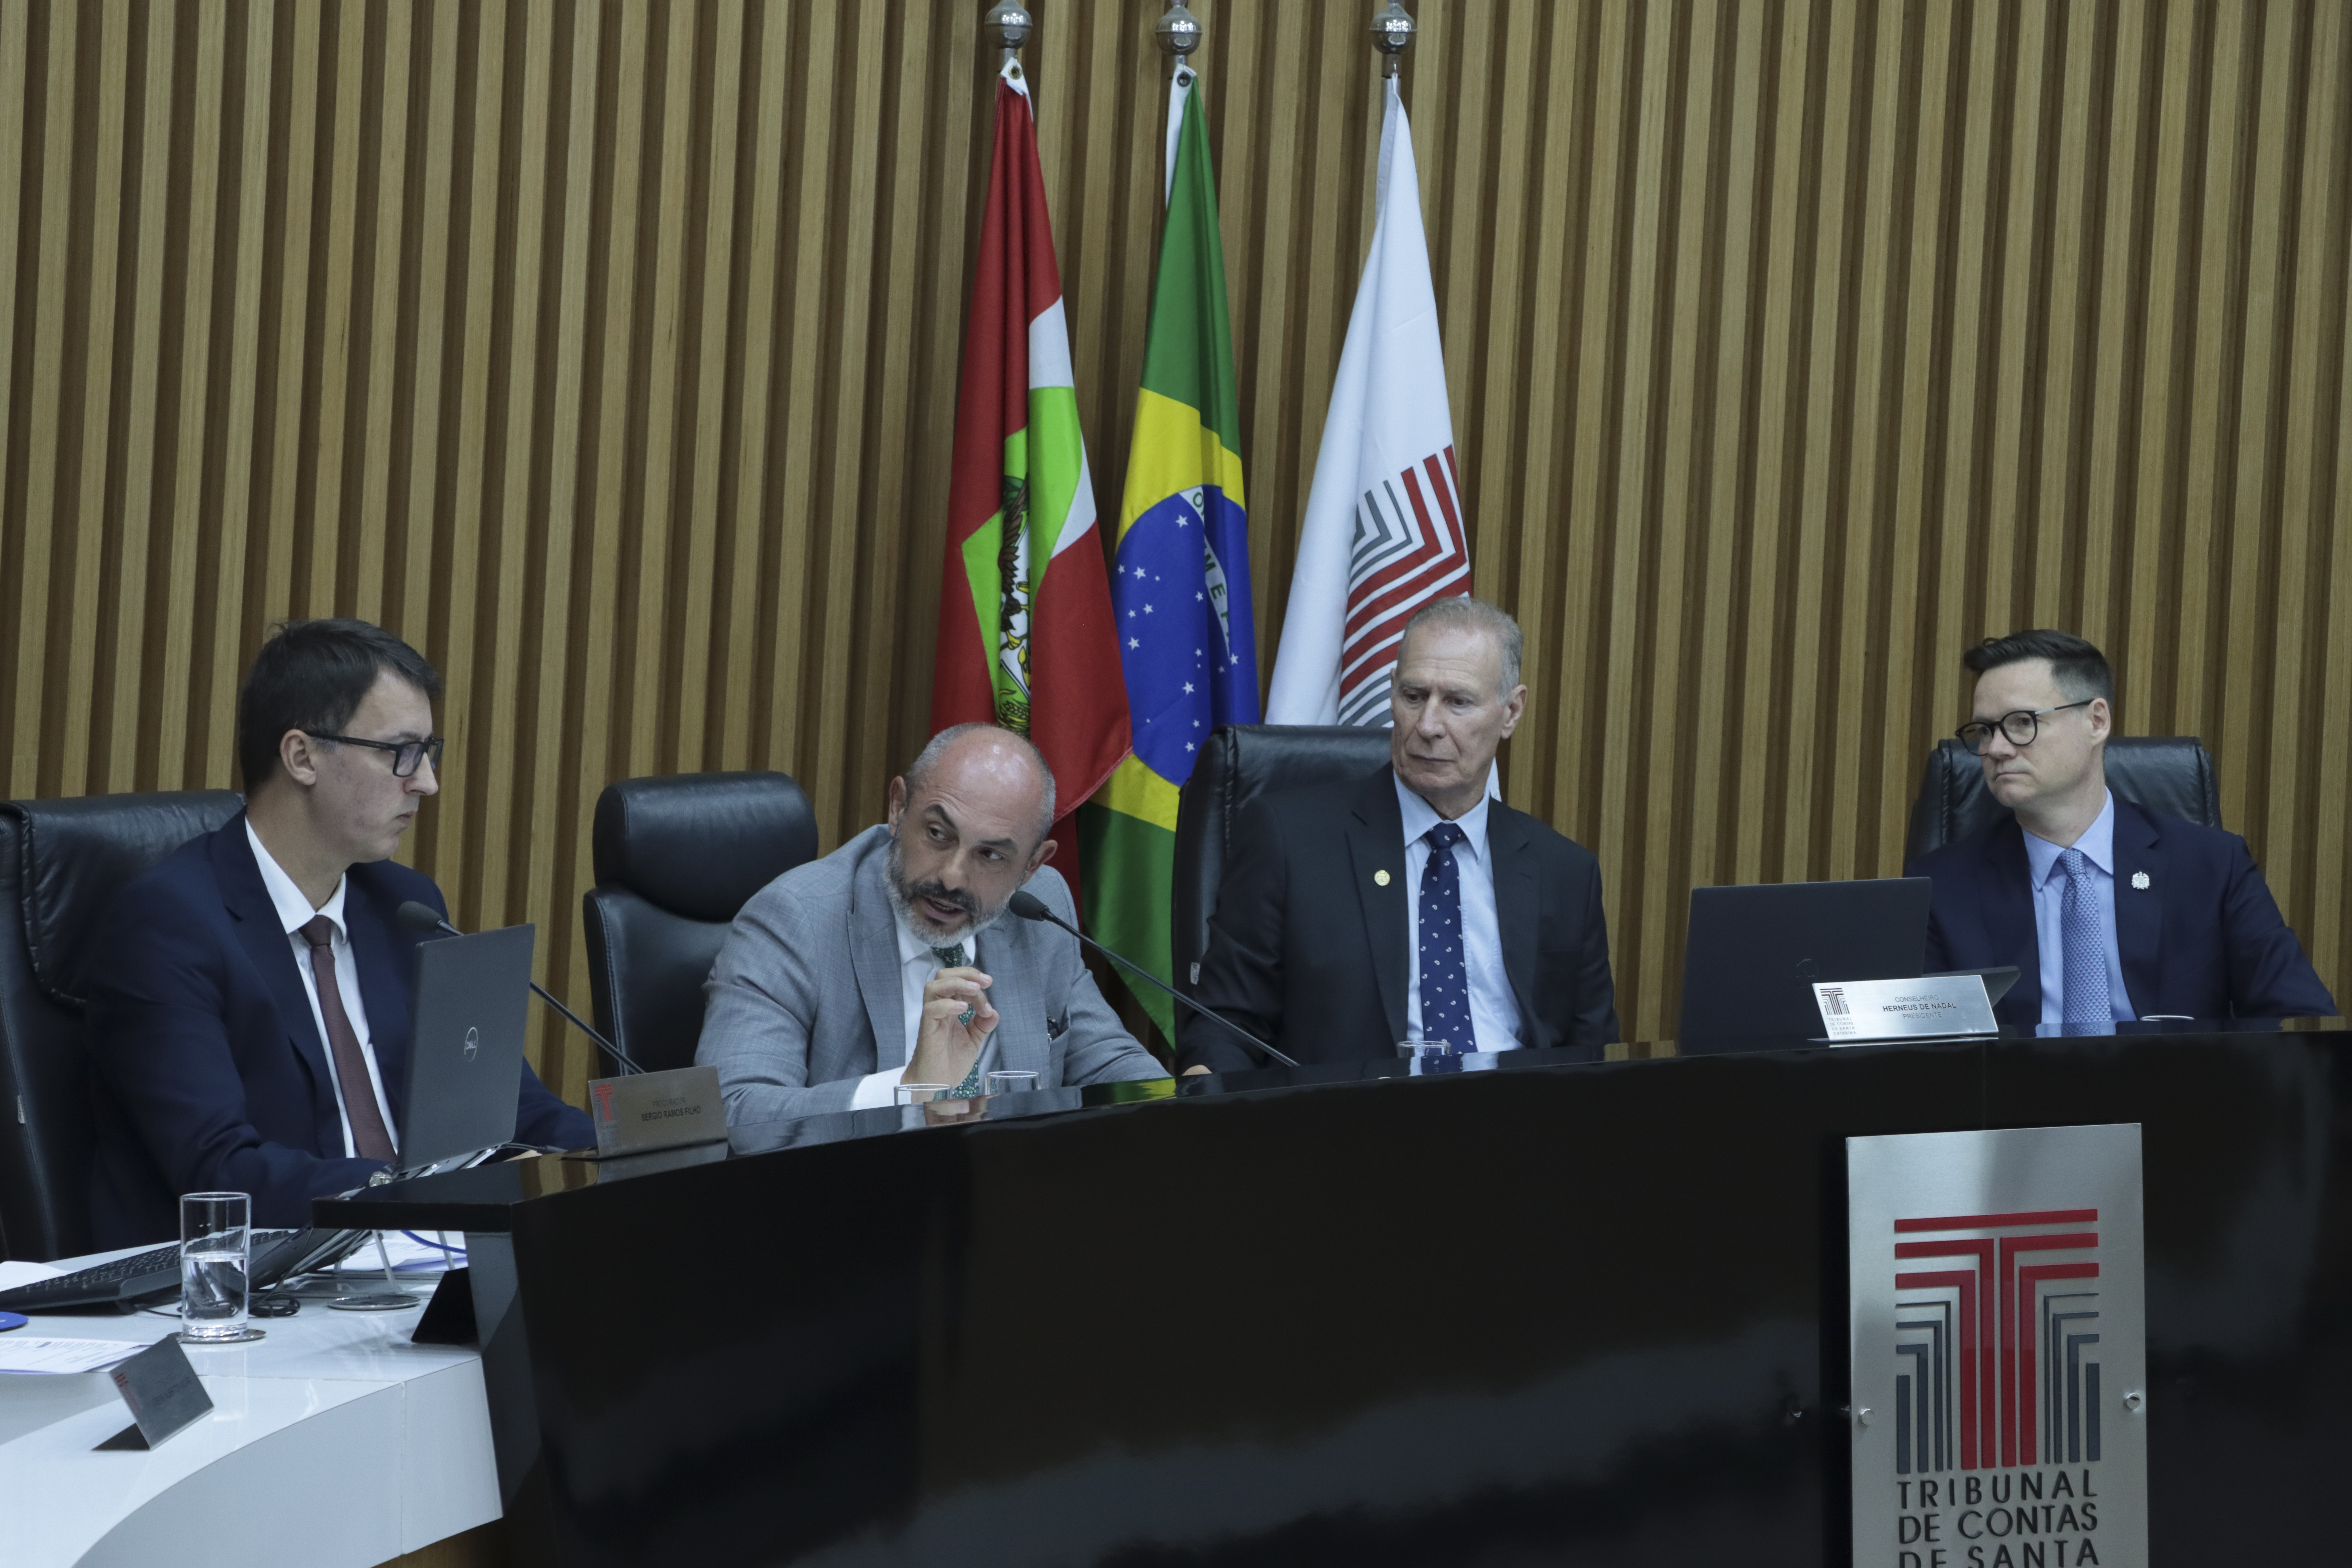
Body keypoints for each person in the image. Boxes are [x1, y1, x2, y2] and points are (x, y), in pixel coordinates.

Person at [85, 619, 592, 1248]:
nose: (427, 782)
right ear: (302, 757)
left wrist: (616, 1153)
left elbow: (512, 1109)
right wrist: (412, 1193)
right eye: (399, 752)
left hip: (419, 1257)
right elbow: (218, 1171)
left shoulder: (406, 907)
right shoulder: (169, 924)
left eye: (429, 752)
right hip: (264, 1274)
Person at [1180, 596, 1618, 1074]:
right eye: (1413, 696)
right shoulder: (1289, 841)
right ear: (1392, 690)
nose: (1428, 726)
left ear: (1511, 711)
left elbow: (1594, 1058)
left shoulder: (1565, 873)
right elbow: (1224, 1027)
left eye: (1458, 702)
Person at [697, 724, 1167, 1127]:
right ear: (898, 808)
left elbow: (1109, 1061)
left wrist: (1185, 1107)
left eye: (990, 855)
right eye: (938, 834)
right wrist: (909, 1089)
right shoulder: (794, 919)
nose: (952, 877)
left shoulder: (1039, 909)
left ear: (1031, 867)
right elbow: (734, 1109)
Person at [1905, 629, 2335, 1030]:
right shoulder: (1943, 887)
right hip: (2015, 1087)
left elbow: (2297, 1018)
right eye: (1984, 730)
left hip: (2178, 1085)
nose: (1996, 748)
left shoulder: (2212, 867)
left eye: (2021, 723)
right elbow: (1921, 1044)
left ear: (2097, 721)